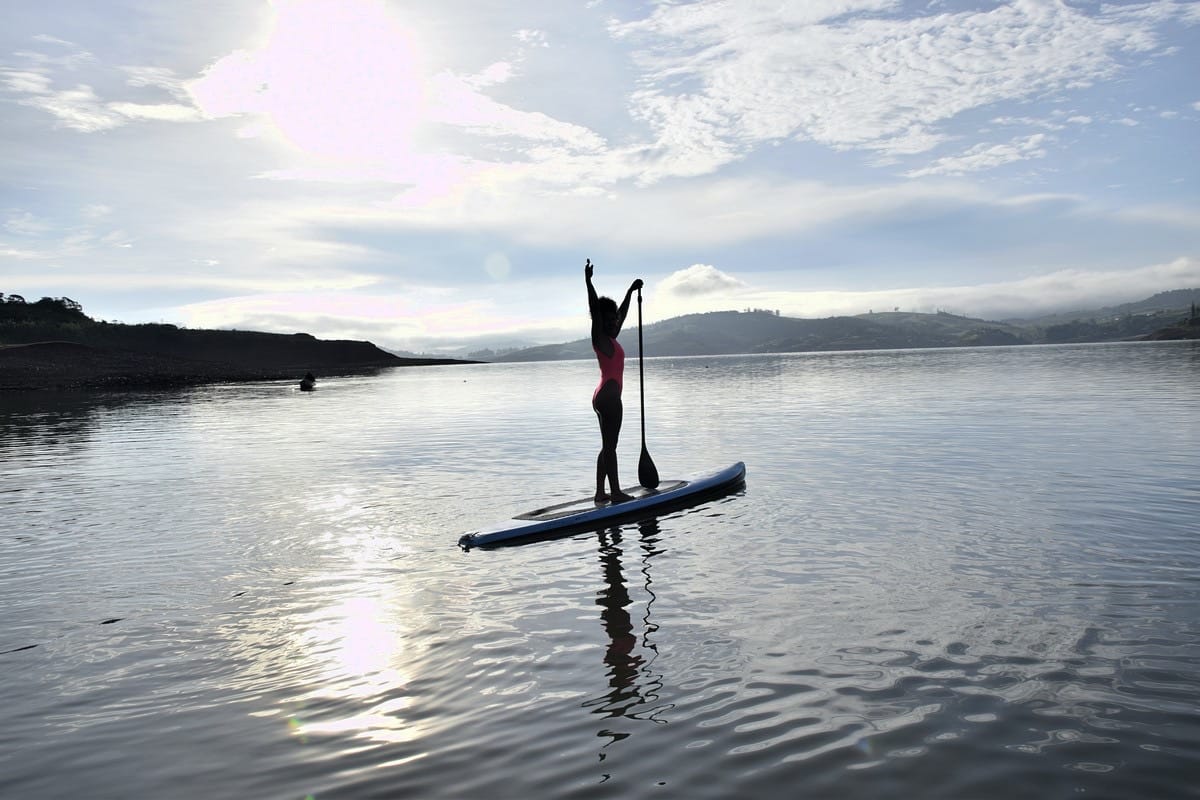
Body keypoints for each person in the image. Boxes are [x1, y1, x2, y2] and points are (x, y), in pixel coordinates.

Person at [585, 259, 643, 503]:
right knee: (611, 447)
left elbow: (621, 314)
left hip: (602, 395)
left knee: (606, 445)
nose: (613, 323)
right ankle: (616, 492)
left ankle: (601, 492)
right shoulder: (600, 336)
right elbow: (597, 311)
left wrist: (630, 292)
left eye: (613, 320)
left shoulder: (611, 337)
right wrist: (588, 282)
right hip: (609, 396)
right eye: (607, 320)